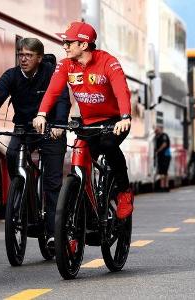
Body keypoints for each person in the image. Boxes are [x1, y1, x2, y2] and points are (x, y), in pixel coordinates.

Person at [33, 21, 133, 219]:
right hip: (88, 122)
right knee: (84, 153)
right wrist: (42, 113)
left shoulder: (107, 62)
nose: (65, 46)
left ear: (84, 45)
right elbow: (53, 91)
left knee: (108, 145)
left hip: (113, 120)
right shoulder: (65, 64)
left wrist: (125, 117)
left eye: (69, 42)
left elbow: (122, 90)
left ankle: (124, 191)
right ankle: (84, 205)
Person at [0, 38, 71, 247]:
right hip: (24, 129)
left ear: (39, 58)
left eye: (29, 55)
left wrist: (59, 125)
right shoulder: (12, 75)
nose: (23, 59)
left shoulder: (52, 74)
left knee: (52, 181)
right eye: (20, 55)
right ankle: (22, 191)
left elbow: (63, 99)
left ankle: (52, 232)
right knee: (11, 155)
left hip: (51, 130)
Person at [155, 125, 171, 192]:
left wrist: (158, 151)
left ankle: (164, 187)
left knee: (163, 171)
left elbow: (164, 144)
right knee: (162, 171)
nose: (156, 130)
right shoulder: (158, 136)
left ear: (161, 129)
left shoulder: (164, 136)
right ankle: (164, 186)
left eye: (157, 129)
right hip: (161, 156)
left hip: (165, 155)